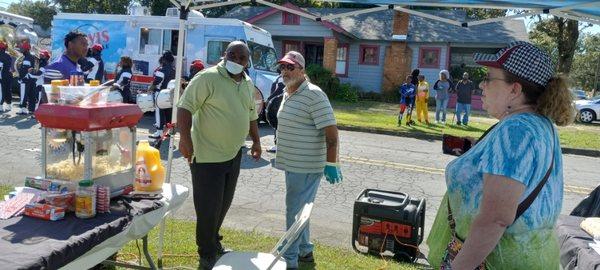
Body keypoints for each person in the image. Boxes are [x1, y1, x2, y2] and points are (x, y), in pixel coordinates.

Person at [427, 41, 574, 269]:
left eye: (489, 78)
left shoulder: (516, 130)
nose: (482, 84)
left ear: (515, 90)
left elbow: (495, 218)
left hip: (498, 261)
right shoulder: (537, 124)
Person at [177, 41, 262, 270]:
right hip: (207, 157)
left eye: (241, 57)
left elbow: (251, 114)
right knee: (208, 208)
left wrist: (256, 140)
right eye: (231, 54)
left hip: (233, 155)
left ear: (247, 62)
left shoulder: (247, 82)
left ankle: (214, 243)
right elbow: (185, 107)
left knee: (223, 205)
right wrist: (184, 139)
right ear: (224, 55)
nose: (235, 59)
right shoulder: (207, 77)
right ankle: (206, 254)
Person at [274, 51, 342, 270]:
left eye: (290, 67)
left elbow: (331, 133)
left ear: (302, 70)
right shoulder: (289, 91)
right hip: (292, 164)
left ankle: (290, 261)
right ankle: (305, 252)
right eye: (282, 67)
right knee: (300, 212)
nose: (285, 71)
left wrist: (331, 164)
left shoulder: (313, 94)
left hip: (304, 166)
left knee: (293, 213)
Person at [149, 51, 175, 139]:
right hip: (169, 94)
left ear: (164, 60)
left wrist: (150, 88)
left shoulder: (161, 70)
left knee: (159, 112)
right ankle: (168, 132)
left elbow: (157, 81)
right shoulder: (173, 70)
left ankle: (159, 132)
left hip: (160, 94)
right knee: (169, 113)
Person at [24, 49, 50, 114]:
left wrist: (30, 73)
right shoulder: (41, 63)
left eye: (42, 55)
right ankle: (35, 111)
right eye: (40, 55)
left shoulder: (44, 64)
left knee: (39, 100)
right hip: (38, 83)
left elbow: (38, 74)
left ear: (46, 57)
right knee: (36, 99)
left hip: (41, 84)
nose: (41, 56)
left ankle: (37, 113)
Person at [265, 71, 285, 153]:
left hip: (278, 105)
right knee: (277, 126)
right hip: (278, 104)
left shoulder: (281, 78)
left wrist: (269, 99)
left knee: (277, 126)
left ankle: (277, 146)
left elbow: (278, 91)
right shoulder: (280, 77)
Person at [16, 41, 35, 115]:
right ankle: (29, 109)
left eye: (22, 48)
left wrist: (21, 78)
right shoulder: (28, 57)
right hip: (29, 79)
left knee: (23, 94)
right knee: (29, 94)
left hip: (25, 79)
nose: (21, 50)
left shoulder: (27, 58)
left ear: (26, 49)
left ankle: (22, 109)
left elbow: (25, 70)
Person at [0, 40, 13, 112]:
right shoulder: (8, 55)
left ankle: (1, 106)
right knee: (8, 90)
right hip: (8, 75)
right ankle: (9, 105)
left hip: (1, 76)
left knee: (1, 91)